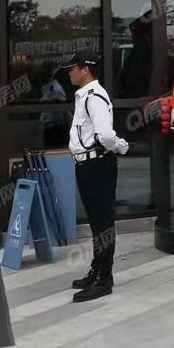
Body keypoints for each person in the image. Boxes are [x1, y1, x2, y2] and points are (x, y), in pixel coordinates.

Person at [61, 51, 129, 302]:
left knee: (102, 223)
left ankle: (104, 278)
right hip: (87, 165)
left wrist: (120, 146)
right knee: (96, 221)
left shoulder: (95, 96)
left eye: (72, 68)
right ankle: (97, 269)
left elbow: (106, 135)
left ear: (85, 69)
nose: (69, 73)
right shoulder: (84, 95)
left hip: (98, 164)